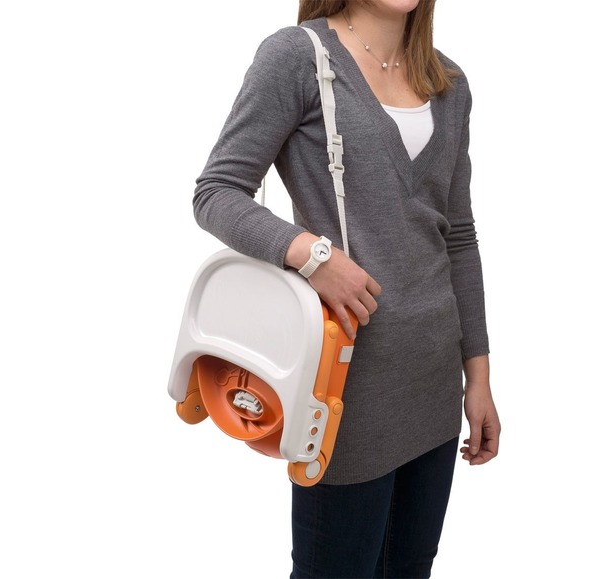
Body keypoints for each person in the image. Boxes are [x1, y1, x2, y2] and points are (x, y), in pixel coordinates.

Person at [192, 0, 501, 576]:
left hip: (434, 385)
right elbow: (217, 192)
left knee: (409, 568)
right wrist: (311, 255)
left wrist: (477, 377)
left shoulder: (449, 82)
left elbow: (458, 236)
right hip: (343, 389)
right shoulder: (297, 58)